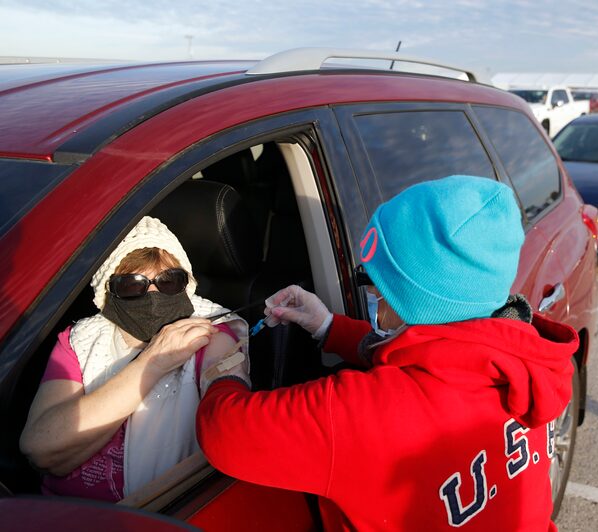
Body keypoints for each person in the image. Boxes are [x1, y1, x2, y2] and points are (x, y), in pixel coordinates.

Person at [196, 175, 578, 530]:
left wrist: (224, 365)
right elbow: (437, 361)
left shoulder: (361, 412)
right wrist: (327, 325)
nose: (372, 293)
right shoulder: (527, 362)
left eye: (376, 280)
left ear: (420, 300)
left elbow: (222, 432)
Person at [19, 216, 249, 502]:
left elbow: (233, 426)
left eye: (169, 281)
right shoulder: (82, 340)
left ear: (187, 283)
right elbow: (40, 448)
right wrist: (152, 362)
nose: (153, 294)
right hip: (58, 513)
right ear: (108, 292)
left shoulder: (210, 331)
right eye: (132, 285)